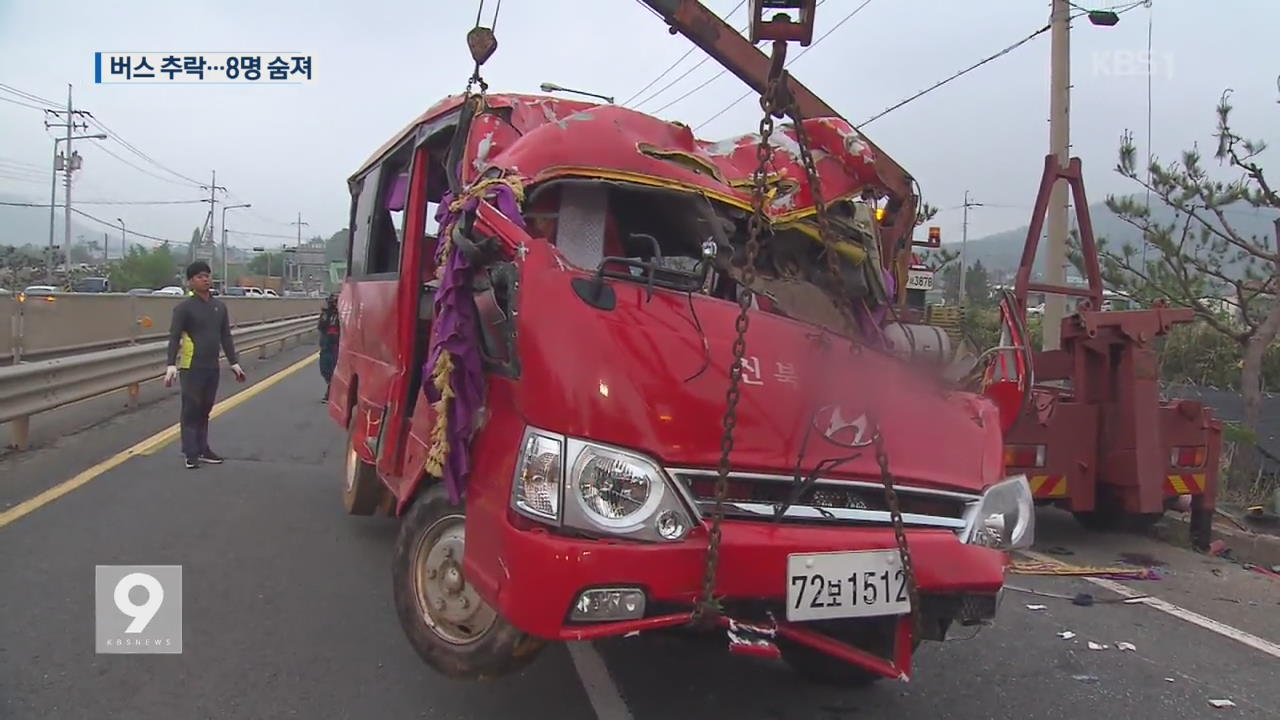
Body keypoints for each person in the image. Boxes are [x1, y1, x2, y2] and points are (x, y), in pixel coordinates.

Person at [164, 261, 246, 469]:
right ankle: (190, 452)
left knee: (205, 409)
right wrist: (171, 364)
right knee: (191, 408)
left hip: (212, 366)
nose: (206, 279)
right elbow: (174, 337)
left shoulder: (219, 306)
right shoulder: (184, 308)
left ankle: (203, 448)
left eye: (207, 275)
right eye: (200, 276)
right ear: (191, 281)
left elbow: (225, 336)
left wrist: (234, 362)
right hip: (191, 366)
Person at [317, 293, 340, 401]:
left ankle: (330, 391)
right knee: (324, 369)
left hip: (336, 346)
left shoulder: (342, 314)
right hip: (326, 345)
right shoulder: (325, 314)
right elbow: (321, 327)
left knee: (333, 369)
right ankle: (331, 386)